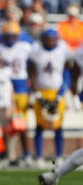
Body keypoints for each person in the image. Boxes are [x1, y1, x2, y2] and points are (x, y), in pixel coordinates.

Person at [28, 29, 70, 168]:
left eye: (52, 39)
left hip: (57, 91)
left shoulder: (63, 51)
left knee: (58, 126)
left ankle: (59, 156)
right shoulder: (36, 52)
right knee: (40, 126)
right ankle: (39, 156)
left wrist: (60, 95)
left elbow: (66, 74)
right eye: (48, 38)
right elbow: (32, 74)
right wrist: (37, 94)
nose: (50, 41)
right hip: (42, 91)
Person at [0, 21, 33, 165]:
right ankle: (8, 156)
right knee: (6, 125)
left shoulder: (25, 47)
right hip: (4, 90)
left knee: (21, 125)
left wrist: (31, 86)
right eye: (7, 35)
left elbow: (33, 65)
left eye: (12, 36)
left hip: (21, 88)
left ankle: (26, 155)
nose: (10, 39)